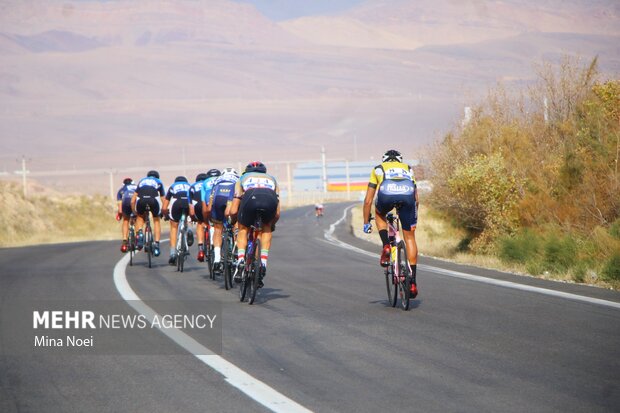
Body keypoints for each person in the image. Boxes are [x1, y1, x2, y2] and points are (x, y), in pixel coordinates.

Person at [362, 149, 419, 298]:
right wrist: (414, 215)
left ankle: (386, 245)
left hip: (386, 194)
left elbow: (368, 200)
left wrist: (366, 222)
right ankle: (412, 282)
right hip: (407, 196)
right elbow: (416, 198)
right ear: (399, 160)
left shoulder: (378, 169)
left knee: (379, 213)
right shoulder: (408, 168)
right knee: (410, 238)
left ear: (384, 160)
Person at [228, 161, 280, 287]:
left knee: (243, 229)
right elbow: (277, 213)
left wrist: (234, 220)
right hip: (269, 199)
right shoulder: (273, 180)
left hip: (250, 199)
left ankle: (240, 260)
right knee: (266, 229)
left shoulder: (242, 178)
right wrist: (271, 224)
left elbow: (234, 209)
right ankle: (263, 263)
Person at [205, 167, 239, 274]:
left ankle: (217, 259)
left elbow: (210, 206)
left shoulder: (217, 180)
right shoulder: (238, 179)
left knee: (218, 229)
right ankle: (237, 252)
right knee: (235, 225)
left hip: (218, 198)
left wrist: (211, 219)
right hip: (231, 197)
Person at [131, 170, 165, 257]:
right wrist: (164, 211)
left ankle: (140, 233)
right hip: (153, 199)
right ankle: (157, 244)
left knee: (140, 217)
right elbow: (163, 199)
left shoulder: (142, 181)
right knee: (156, 220)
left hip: (141, 199)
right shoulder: (159, 181)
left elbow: (132, 200)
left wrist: (135, 212)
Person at [162, 176, 192, 265]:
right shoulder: (190, 186)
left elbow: (164, 206)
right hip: (187, 203)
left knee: (174, 227)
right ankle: (189, 229)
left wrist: (165, 215)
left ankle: (172, 254)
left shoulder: (173, 186)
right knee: (189, 217)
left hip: (177, 203)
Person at [198, 168, 221, 260]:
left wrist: (205, 220)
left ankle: (212, 240)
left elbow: (204, 206)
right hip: (221, 196)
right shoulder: (221, 180)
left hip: (208, 197)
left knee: (212, 222)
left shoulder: (205, 182)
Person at [189, 172, 208, 262]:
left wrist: (193, 218)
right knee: (213, 222)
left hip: (197, 205)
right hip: (207, 203)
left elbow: (191, 208)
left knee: (200, 223)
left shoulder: (192, 186)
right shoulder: (209, 182)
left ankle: (200, 250)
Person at [116, 177, 137, 252]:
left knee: (125, 220)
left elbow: (120, 210)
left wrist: (120, 214)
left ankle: (125, 240)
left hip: (125, 202)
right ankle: (138, 236)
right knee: (138, 219)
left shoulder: (121, 190)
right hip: (135, 202)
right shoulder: (136, 187)